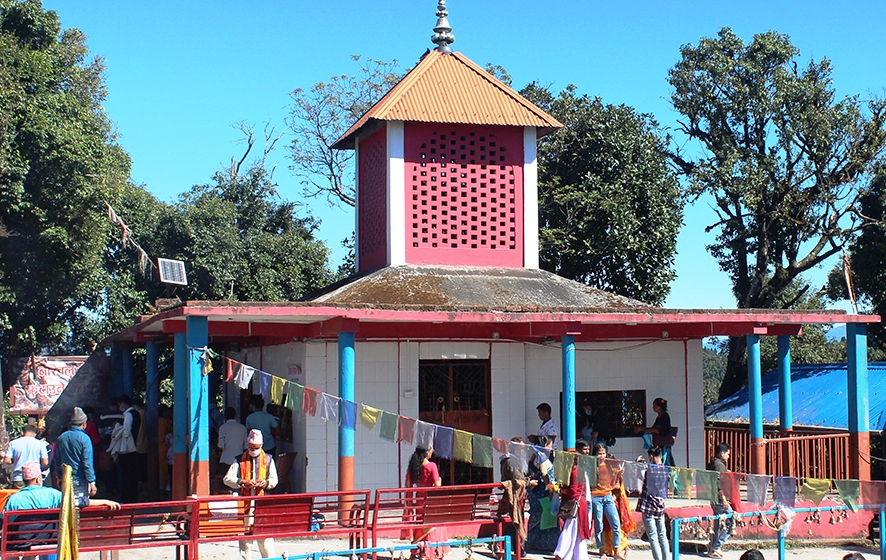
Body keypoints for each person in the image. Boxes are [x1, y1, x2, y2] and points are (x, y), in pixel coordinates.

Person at [4, 462, 120, 560]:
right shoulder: (52, 495)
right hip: (49, 540)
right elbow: (78, 502)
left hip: (22, 542)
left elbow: (5, 522)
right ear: (38, 479)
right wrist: (104, 501)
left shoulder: (14, 499)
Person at [224, 430, 278, 560]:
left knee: (265, 539)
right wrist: (242, 482)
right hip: (246, 504)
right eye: (251, 447)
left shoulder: (269, 459)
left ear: (261, 445)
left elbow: (274, 480)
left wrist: (266, 483)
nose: (253, 450)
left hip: (262, 503)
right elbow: (227, 479)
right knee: (246, 539)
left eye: (256, 448)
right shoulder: (239, 460)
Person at [53, 407, 97, 507]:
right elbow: (87, 463)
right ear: (83, 423)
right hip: (80, 479)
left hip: (65, 478)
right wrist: (91, 481)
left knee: (67, 506)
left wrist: (59, 476)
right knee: (79, 506)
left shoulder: (61, 437)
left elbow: (57, 459)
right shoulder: (85, 438)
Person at [552, 452, 591, 560]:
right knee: (577, 533)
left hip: (575, 505)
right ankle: (579, 556)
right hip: (579, 504)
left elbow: (573, 491)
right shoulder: (578, 470)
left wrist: (559, 490)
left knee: (569, 529)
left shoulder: (574, 471)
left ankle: (561, 554)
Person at [590, 443, 626, 560]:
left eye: (603, 453)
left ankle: (617, 551)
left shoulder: (610, 465)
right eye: (599, 453)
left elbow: (615, 481)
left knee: (616, 524)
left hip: (608, 497)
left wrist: (619, 473)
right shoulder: (592, 466)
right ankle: (602, 551)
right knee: (599, 525)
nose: (601, 456)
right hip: (596, 498)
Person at [525, 436, 558, 553]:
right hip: (542, 491)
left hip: (536, 491)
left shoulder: (535, 455)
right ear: (545, 445)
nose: (551, 447)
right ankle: (540, 543)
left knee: (539, 515)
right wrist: (550, 489)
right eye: (550, 445)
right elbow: (545, 474)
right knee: (542, 515)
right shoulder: (542, 457)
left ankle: (534, 542)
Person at [636, 446, 669, 560]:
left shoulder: (648, 469)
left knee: (653, 536)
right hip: (660, 506)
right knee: (662, 535)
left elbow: (639, 477)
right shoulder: (665, 469)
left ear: (651, 456)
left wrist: (639, 464)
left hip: (648, 506)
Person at [707, 442, 733, 558]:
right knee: (731, 520)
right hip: (719, 498)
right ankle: (717, 546)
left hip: (713, 497)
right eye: (728, 454)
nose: (728, 456)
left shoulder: (714, 463)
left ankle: (712, 547)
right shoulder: (719, 465)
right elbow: (719, 484)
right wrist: (724, 499)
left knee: (717, 523)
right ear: (722, 453)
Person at [116, 394, 141, 502]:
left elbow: (126, 432)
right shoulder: (136, 413)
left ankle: (126, 498)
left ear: (123, 404)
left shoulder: (128, 415)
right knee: (133, 473)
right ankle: (133, 497)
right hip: (134, 446)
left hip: (126, 449)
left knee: (126, 474)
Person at [637, 397, 675, 467]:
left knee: (665, 462)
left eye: (654, 405)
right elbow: (654, 428)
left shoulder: (665, 416)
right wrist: (643, 429)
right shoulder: (659, 417)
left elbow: (665, 431)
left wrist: (653, 430)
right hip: (659, 444)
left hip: (664, 445)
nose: (653, 407)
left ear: (659, 407)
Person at [218, 406, 248, 486]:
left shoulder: (223, 428)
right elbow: (246, 446)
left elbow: (220, 446)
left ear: (224, 416)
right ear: (235, 415)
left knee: (225, 484)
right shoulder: (242, 428)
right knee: (238, 483)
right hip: (239, 460)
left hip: (226, 460)